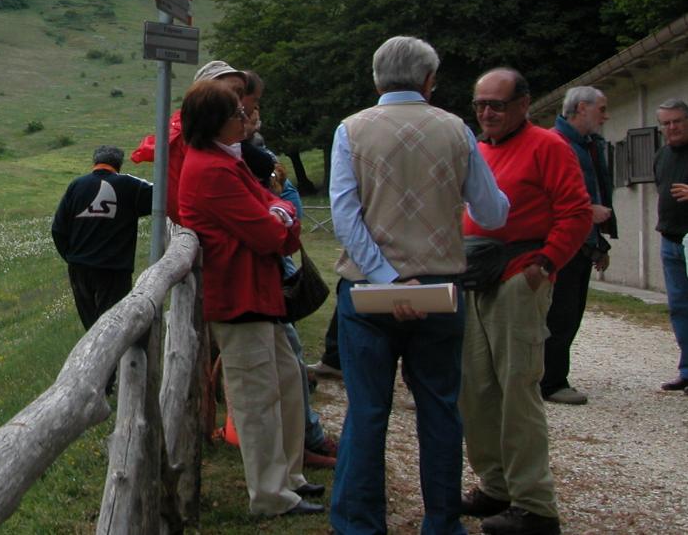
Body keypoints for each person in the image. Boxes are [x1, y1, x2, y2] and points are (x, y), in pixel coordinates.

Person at [327, 36, 509, 535]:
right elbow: (491, 212)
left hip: (368, 290)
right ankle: (442, 522)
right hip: (440, 287)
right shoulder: (456, 130)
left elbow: (345, 216)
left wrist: (387, 278)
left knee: (366, 411)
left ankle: (359, 524)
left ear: (376, 78)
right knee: (439, 409)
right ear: (430, 80)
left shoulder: (352, 130)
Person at [174, 79, 321, 518]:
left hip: (256, 293)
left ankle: (288, 478)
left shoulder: (224, 161)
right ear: (216, 122)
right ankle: (270, 494)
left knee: (286, 381)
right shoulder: (213, 171)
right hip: (239, 297)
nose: (245, 120)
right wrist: (280, 215)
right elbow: (271, 232)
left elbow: (277, 206)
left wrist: (280, 213)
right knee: (257, 397)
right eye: (238, 114)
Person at [459, 68, 592, 535]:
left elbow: (576, 211)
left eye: (496, 104)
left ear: (523, 105)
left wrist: (548, 262)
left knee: (518, 390)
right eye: (479, 105)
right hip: (475, 278)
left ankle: (535, 507)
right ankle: (495, 486)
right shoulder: (478, 150)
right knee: (475, 390)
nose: (487, 113)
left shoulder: (548, 146)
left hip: (520, 275)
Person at [238, 70, 340, 469]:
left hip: (265, 265)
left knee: (285, 358)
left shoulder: (250, 154)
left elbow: (286, 216)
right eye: (251, 106)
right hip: (260, 270)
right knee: (282, 360)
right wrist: (281, 211)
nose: (254, 115)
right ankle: (301, 443)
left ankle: (301, 441)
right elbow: (281, 221)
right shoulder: (244, 157)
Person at [543, 86, 617, 404]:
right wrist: (589, 213)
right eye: (601, 109)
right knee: (559, 315)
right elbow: (551, 196)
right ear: (582, 108)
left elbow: (595, 189)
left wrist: (598, 243)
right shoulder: (554, 144)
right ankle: (550, 382)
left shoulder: (589, 145)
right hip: (560, 243)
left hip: (581, 242)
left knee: (571, 314)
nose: (605, 116)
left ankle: (551, 377)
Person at [51, 145, 155, 331]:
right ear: (119, 164)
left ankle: (94, 359)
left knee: (91, 329)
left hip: (79, 268)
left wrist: (71, 257)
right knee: (112, 327)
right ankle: (111, 360)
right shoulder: (130, 185)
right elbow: (161, 195)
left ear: (95, 162)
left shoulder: (76, 185)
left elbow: (58, 229)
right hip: (113, 269)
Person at [653, 98, 688, 392]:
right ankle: (687, 370)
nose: (672, 127)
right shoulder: (662, 155)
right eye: (666, 123)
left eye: (677, 121)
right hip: (670, 240)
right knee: (679, 308)